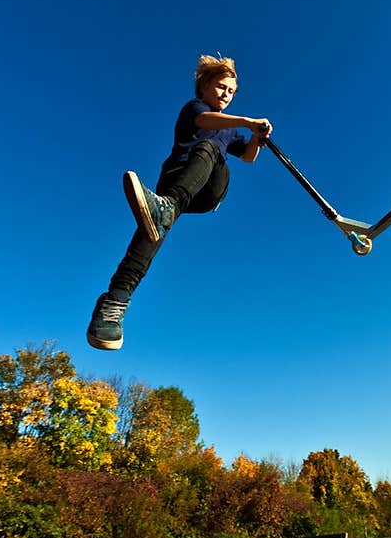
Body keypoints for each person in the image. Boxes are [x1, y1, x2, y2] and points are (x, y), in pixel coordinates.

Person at [86, 54, 272, 350]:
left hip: (209, 190)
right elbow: (204, 121)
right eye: (222, 87)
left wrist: (256, 139)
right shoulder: (196, 108)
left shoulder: (230, 129)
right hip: (177, 182)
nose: (227, 94)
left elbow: (248, 157)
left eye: (232, 92)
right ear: (205, 86)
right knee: (149, 236)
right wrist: (249, 122)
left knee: (210, 150)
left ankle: (166, 208)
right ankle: (113, 305)